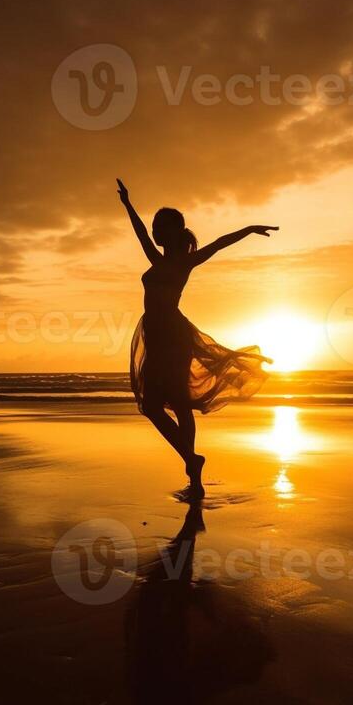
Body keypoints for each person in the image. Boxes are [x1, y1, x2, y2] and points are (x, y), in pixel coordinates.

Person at [116, 179, 278, 499]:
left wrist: (248, 229)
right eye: (154, 225)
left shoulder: (181, 261)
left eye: (159, 226)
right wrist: (127, 205)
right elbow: (141, 235)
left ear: (173, 230)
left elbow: (218, 243)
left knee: (178, 403)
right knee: (151, 406)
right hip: (156, 334)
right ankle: (192, 462)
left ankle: (193, 471)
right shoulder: (158, 259)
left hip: (173, 337)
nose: (154, 229)